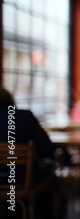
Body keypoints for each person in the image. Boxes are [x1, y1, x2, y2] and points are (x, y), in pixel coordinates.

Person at [0, 86, 62, 219]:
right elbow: (47, 150)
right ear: (10, 101)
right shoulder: (24, 116)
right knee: (52, 177)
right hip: (22, 180)